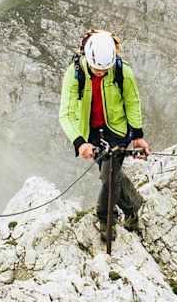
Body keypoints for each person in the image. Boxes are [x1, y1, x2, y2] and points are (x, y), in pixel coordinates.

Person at [59, 30, 150, 241]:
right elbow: (66, 114)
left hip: (117, 130)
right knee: (111, 174)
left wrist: (137, 135)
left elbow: (132, 102)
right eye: (96, 69)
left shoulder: (122, 71)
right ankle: (133, 206)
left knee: (108, 175)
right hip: (90, 132)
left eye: (105, 69)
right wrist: (80, 142)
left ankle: (105, 218)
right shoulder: (74, 74)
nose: (101, 72)